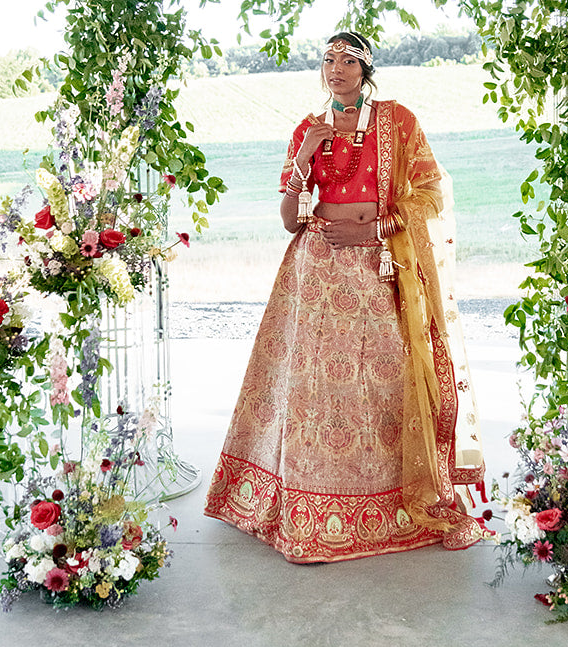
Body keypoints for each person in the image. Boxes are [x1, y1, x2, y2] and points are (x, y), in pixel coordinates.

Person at [204, 30, 486, 563]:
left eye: (348, 60)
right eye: (328, 60)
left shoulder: (397, 122)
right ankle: (306, 503)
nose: (336, 69)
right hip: (316, 271)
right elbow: (290, 221)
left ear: (367, 68)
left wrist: (378, 227)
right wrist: (306, 157)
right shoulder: (305, 131)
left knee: (384, 374)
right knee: (310, 385)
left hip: (379, 263)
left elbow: (431, 193)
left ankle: (387, 499)